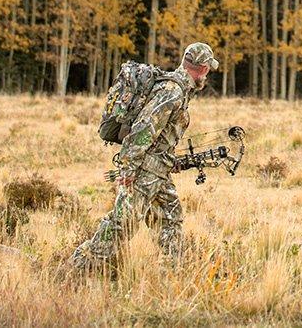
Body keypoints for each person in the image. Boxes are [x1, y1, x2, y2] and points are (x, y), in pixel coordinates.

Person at [70, 42, 219, 270]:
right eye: (208, 70)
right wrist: (128, 171)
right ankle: (76, 268)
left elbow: (159, 137)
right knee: (122, 225)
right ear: (203, 69)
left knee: (171, 218)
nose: (207, 76)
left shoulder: (179, 90)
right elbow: (143, 129)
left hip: (157, 172)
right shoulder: (172, 92)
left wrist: (168, 161)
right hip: (142, 173)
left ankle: (171, 270)